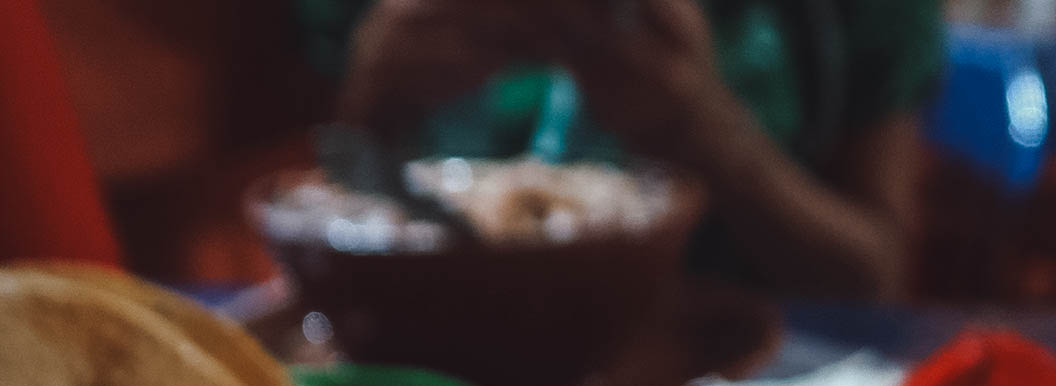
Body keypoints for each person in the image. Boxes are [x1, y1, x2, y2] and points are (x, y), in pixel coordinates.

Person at [298, 0, 944, 298]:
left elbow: (875, 274)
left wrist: (709, 133)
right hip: (425, 378)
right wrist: (375, 98)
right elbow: (295, 213)